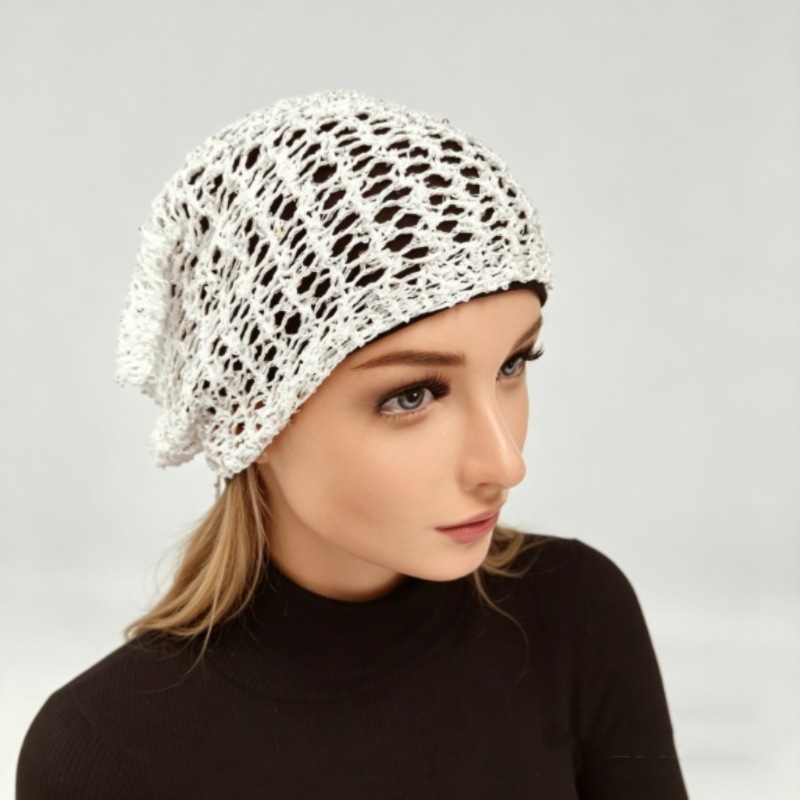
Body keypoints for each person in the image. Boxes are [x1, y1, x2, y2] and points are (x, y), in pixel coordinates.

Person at [17, 90, 689, 799]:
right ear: (248, 415)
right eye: (413, 395)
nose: (505, 463)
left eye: (513, 365)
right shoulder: (106, 754)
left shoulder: (573, 618)